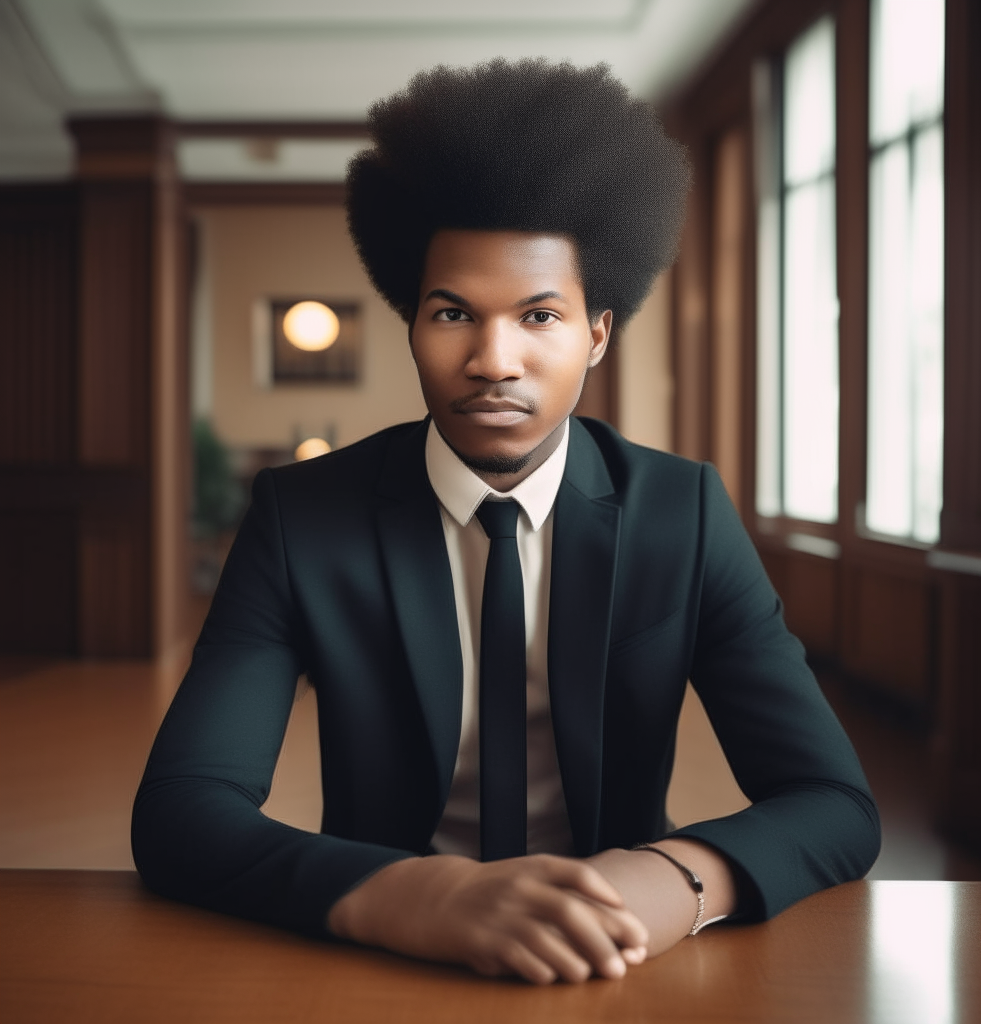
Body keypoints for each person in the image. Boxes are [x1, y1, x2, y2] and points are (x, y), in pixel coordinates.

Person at [132, 59, 880, 986]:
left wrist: (671, 878)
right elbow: (182, 811)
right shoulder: (301, 519)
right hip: (380, 963)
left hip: (612, 960)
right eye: (453, 313)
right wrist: (421, 896)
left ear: (597, 333)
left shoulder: (683, 514)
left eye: (539, 315)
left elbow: (834, 802)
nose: (494, 359)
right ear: (411, 321)